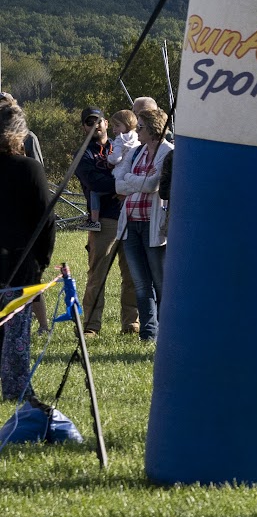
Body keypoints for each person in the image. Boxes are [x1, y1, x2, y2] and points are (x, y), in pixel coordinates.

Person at [0, 101, 55, 402]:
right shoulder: (29, 168)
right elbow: (45, 219)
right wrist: (41, 260)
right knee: (15, 334)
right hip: (18, 261)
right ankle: (15, 389)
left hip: (16, 259)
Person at [75, 107, 138, 337]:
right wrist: (124, 185)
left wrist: (126, 184)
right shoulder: (83, 154)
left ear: (106, 123)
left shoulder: (123, 143)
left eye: (98, 121)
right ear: (84, 127)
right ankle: (91, 326)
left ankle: (131, 324)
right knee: (97, 275)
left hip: (130, 215)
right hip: (104, 220)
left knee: (131, 274)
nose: (95, 126)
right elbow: (94, 182)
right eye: (89, 122)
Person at [113, 107, 172, 344]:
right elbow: (118, 184)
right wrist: (135, 180)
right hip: (131, 223)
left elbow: (153, 185)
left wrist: (131, 180)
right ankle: (148, 333)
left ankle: (166, 332)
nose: (137, 130)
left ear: (153, 129)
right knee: (140, 283)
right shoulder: (137, 151)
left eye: (141, 127)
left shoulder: (168, 152)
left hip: (153, 225)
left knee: (160, 281)